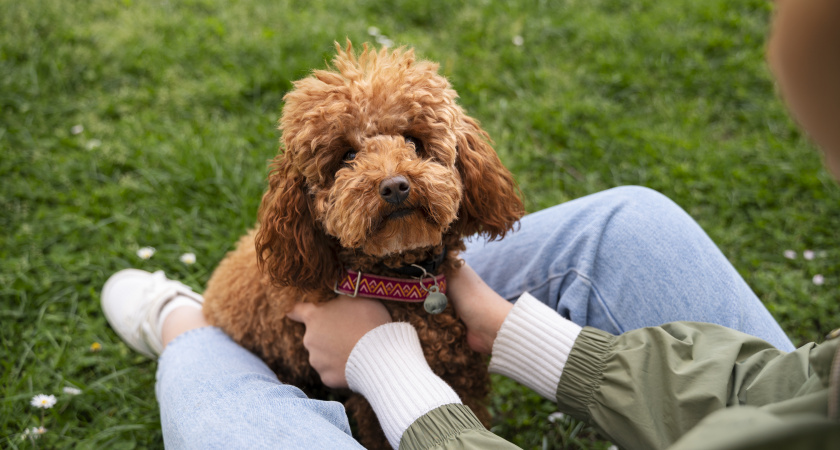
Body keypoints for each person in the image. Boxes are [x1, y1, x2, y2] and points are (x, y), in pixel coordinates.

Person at [100, 0, 840, 448]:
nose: (392, 176)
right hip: (318, 308)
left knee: (212, 391)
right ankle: (206, 330)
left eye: (417, 145)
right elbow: (793, 392)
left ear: (461, 159)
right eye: (349, 159)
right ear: (308, 198)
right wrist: (503, 325)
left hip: (392, 323)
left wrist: (381, 366)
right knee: (632, 219)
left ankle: (183, 331)